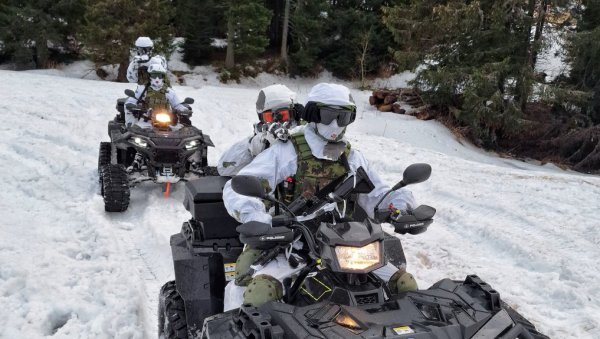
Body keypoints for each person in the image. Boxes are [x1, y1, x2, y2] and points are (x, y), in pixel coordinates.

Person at [222, 83, 418, 310]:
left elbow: (378, 193)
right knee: (259, 292)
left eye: (342, 117)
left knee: (404, 284)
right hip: (291, 244)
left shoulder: (352, 157)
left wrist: (401, 208)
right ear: (314, 115)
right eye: (328, 116)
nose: (335, 125)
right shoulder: (287, 151)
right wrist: (256, 216)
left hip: (346, 247)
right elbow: (239, 186)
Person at [217, 84, 302, 176]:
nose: (276, 122)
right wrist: (253, 146)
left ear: (294, 114)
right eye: (269, 117)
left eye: (283, 115)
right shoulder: (262, 139)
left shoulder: (306, 133)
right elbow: (224, 168)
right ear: (261, 119)